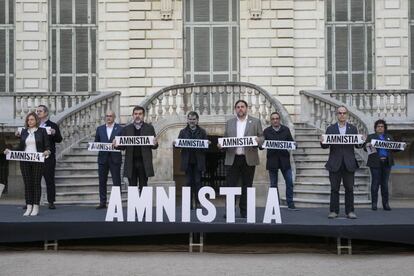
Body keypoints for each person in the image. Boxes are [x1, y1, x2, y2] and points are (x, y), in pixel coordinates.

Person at [219, 100, 263, 218]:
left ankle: (245, 211)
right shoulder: (229, 123)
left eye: (242, 107)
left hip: (248, 158)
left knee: (247, 185)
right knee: (230, 186)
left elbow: (262, 137)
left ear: (246, 108)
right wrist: (221, 145)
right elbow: (225, 139)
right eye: (238, 107)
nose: (240, 109)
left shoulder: (255, 121)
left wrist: (260, 141)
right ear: (235, 109)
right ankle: (230, 212)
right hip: (233, 158)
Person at [4, 112, 50, 216]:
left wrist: (47, 151)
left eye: (32, 119)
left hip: (37, 160)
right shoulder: (24, 132)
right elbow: (20, 147)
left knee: (36, 184)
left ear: (36, 120)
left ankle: (36, 206)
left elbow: (47, 146)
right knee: (28, 184)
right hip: (25, 161)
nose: (30, 121)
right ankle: (29, 206)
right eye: (28, 120)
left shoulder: (42, 131)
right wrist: (10, 151)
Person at [321, 106, 362, 219]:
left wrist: (362, 140)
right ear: (337, 115)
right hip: (334, 163)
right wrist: (322, 141)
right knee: (334, 189)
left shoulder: (353, 129)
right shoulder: (330, 129)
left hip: (349, 163)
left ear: (347, 115)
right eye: (340, 113)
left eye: (344, 113)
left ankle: (350, 211)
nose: (342, 115)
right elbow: (325, 146)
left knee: (349, 189)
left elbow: (358, 145)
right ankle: (334, 211)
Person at [116, 106, 158, 191]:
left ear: (143, 115)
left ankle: (143, 204)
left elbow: (153, 146)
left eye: (140, 114)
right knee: (132, 187)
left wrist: (155, 144)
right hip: (131, 162)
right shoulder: (127, 129)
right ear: (133, 115)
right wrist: (116, 145)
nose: (137, 116)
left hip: (144, 162)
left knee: (144, 186)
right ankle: (133, 204)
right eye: (135, 114)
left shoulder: (149, 128)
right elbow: (123, 147)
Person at [262, 111, 296, 209]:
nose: (275, 120)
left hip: (285, 160)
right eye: (273, 119)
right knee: (273, 184)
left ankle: (290, 203)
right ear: (271, 121)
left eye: (277, 118)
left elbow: (291, 142)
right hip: (272, 161)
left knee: (289, 182)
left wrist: (294, 145)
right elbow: (262, 145)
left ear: (279, 119)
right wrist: (259, 143)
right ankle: (275, 203)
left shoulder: (286, 129)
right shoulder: (266, 131)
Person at [364, 119, 400, 211]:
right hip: (375, 162)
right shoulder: (371, 137)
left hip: (387, 163)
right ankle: (374, 204)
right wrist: (367, 145)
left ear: (384, 128)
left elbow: (394, 149)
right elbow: (365, 149)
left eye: (382, 126)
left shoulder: (389, 137)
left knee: (385, 184)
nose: (380, 128)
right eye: (378, 126)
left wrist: (401, 146)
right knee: (375, 183)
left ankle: (386, 204)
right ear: (375, 128)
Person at [175, 111, 208, 209]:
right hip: (187, 162)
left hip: (198, 161)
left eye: (194, 119)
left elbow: (206, 148)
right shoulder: (182, 132)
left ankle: (198, 203)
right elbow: (178, 145)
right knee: (188, 182)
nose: (192, 121)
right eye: (190, 119)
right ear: (187, 120)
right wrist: (175, 144)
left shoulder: (202, 132)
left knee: (198, 182)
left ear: (197, 120)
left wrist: (207, 144)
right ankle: (188, 204)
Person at [36, 105, 63, 209]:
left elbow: (59, 139)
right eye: (37, 111)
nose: (38, 113)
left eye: (40, 111)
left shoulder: (52, 125)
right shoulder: (34, 124)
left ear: (46, 113)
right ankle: (33, 201)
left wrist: (54, 133)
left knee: (49, 180)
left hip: (48, 158)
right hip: (36, 156)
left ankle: (51, 202)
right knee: (35, 181)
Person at [94, 111, 123, 209]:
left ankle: (117, 202)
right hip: (103, 159)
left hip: (115, 159)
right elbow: (96, 143)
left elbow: (123, 145)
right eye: (107, 116)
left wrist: (118, 145)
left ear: (114, 117)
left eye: (110, 116)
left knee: (117, 181)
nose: (108, 118)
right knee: (102, 181)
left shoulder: (120, 129)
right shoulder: (100, 129)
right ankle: (102, 202)